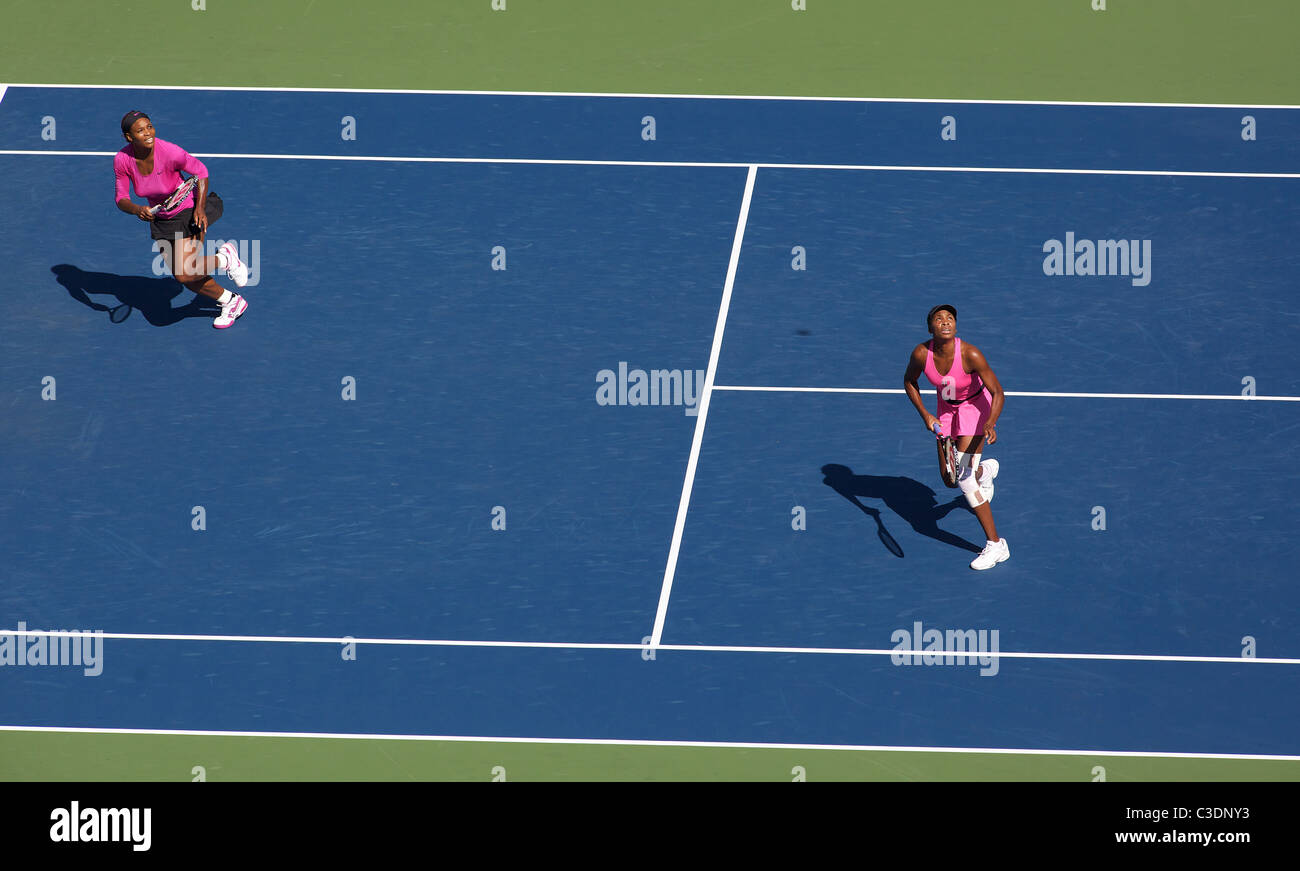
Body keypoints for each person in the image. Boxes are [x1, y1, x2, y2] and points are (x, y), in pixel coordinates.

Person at [113, 110, 250, 329]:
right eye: (140, 130)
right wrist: (136, 209)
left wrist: (200, 208)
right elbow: (121, 198)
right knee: (184, 277)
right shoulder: (123, 160)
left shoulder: (168, 152)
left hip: (188, 209)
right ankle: (231, 302)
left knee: (186, 273)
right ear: (129, 137)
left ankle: (226, 258)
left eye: (149, 126)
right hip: (162, 218)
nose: (148, 133)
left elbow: (201, 171)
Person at [903, 304, 1009, 570]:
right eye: (939, 319)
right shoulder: (920, 353)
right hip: (946, 412)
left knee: (963, 479)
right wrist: (926, 415)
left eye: (950, 318)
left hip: (976, 411)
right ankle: (985, 471)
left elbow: (997, 391)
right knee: (949, 480)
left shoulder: (970, 354)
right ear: (931, 328)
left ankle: (996, 545)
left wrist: (991, 422)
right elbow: (909, 381)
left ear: (956, 326)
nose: (945, 322)